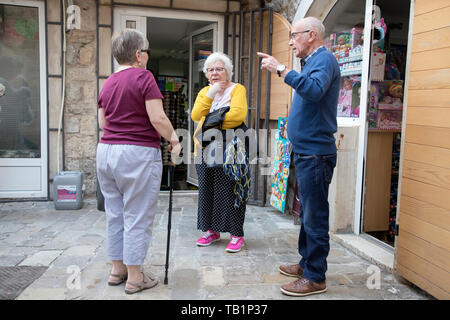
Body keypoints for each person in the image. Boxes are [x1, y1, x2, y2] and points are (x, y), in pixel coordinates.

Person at [258, 16, 340, 297]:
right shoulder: (313, 62)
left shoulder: (325, 60)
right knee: (307, 213)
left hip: (316, 154)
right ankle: (307, 264)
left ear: (312, 35)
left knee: (314, 216)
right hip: (307, 152)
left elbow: (315, 91)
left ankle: (316, 277)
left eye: (294, 35)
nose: (291, 41)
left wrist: (281, 69)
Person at [96, 28, 181, 295]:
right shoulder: (144, 78)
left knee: (116, 213)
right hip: (136, 153)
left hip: (107, 150)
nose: (147, 55)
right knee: (137, 214)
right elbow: (157, 118)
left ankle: (117, 269)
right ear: (137, 54)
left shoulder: (108, 82)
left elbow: (102, 122)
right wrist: (174, 139)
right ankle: (135, 277)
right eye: (146, 51)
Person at [191, 52, 249, 253]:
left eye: (219, 69)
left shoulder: (237, 89)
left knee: (231, 187)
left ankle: (236, 234)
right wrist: (211, 93)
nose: (214, 73)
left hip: (231, 147)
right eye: (211, 69)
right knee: (206, 189)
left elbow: (237, 116)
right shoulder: (204, 92)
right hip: (204, 148)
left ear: (228, 72)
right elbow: (196, 115)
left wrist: (209, 121)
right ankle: (210, 231)